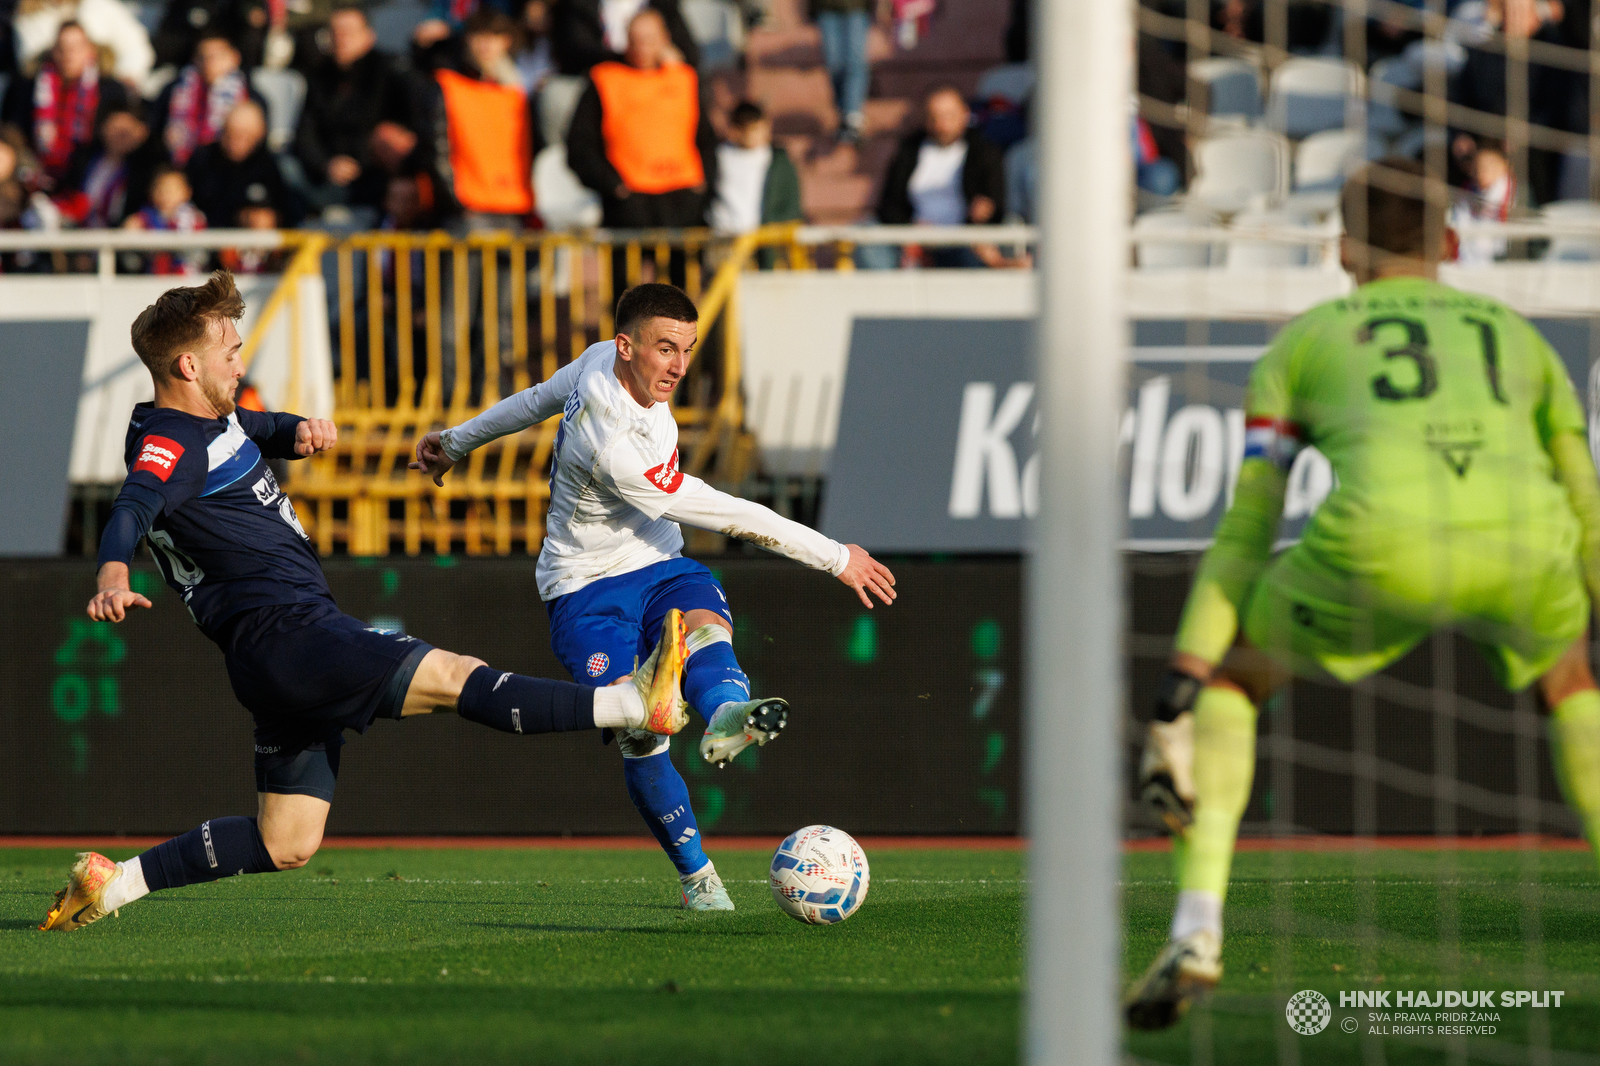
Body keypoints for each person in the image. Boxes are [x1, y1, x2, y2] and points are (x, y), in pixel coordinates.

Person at [40, 270, 692, 933]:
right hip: (290, 634)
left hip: (271, 654)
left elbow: (250, 427)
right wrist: (113, 574)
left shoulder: (202, 421)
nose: (240, 364)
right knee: (451, 676)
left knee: (285, 840)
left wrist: (295, 433)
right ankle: (633, 704)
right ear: (187, 364)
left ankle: (118, 882)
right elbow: (133, 506)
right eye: (230, 354)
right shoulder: (170, 446)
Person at [1124, 159, 1600, 1027]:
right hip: (1526, 546)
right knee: (1573, 683)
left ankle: (1197, 927)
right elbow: (1585, 493)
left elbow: (1249, 529)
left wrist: (1184, 674)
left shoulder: (1301, 345)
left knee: (1237, 682)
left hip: (1380, 545)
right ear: (1452, 241)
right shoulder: (1517, 334)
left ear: (1344, 251)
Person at [410, 283, 897, 909]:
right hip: (584, 590)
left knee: (705, 628)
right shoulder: (616, 447)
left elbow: (533, 400)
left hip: (658, 561)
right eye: (666, 349)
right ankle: (699, 877)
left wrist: (456, 441)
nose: (678, 367)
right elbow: (726, 513)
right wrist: (834, 556)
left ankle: (726, 714)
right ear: (626, 346)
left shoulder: (593, 360)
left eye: (688, 350)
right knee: (641, 728)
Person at [293, 4, 416, 216]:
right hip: (327, 178)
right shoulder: (318, 77)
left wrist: (363, 161)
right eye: (335, 32)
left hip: (375, 177)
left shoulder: (391, 72)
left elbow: (406, 128)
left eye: (348, 32)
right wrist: (327, 164)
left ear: (369, 36)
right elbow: (305, 132)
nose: (341, 38)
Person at [875, 86, 1006, 268]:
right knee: (867, 239)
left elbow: (996, 203)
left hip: (964, 240)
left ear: (965, 114)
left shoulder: (984, 151)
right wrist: (911, 227)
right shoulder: (909, 151)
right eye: (935, 117)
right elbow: (889, 204)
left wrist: (985, 210)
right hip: (915, 240)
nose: (942, 124)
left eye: (949, 116)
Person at [0, 21, 131, 189]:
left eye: (76, 47)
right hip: (34, 172)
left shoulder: (110, 91)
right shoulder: (27, 87)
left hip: (87, 177)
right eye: (62, 48)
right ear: (54, 51)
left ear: (90, 50)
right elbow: (12, 131)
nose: (69, 54)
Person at [187, 101, 300, 229]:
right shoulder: (203, 159)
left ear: (259, 135)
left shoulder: (269, 167)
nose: (236, 141)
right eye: (230, 133)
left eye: (245, 135)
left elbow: (288, 211)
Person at [154, 31, 261, 168]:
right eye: (203, 57)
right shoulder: (173, 91)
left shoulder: (250, 98)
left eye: (217, 56)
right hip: (180, 166)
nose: (210, 62)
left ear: (235, 58)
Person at [53, 102, 166, 229]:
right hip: (79, 231)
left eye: (126, 133)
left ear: (142, 132)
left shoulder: (148, 168)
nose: (120, 138)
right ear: (103, 126)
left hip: (121, 237)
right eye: (116, 129)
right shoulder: (83, 159)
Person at [709, 100, 801, 241]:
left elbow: (790, 203)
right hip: (724, 237)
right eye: (754, 129)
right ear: (736, 130)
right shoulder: (718, 156)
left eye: (763, 128)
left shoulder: (777, 160)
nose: (762, 134)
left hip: (762, 241)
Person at [549, 0, 698, 76]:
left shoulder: (665, 7)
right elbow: (575, 50)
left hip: (655, 84)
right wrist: (628, 59)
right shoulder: (580, 6)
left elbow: (689, 56)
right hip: (605, 82)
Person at [809, 0, 873, 145]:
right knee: (834, 64)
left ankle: (853, 116)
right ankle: (845, 115)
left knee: (855, 63)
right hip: (826, 8)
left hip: (856, 7)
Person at [124, 165, 207, 274]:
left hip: (185, 280)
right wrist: (130, 227)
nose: (166, 194)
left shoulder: (194, 218)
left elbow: (194, 252)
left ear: (187, 192)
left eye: (172, 189)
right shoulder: (145, 217)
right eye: (161, 188)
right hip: (152, 280)